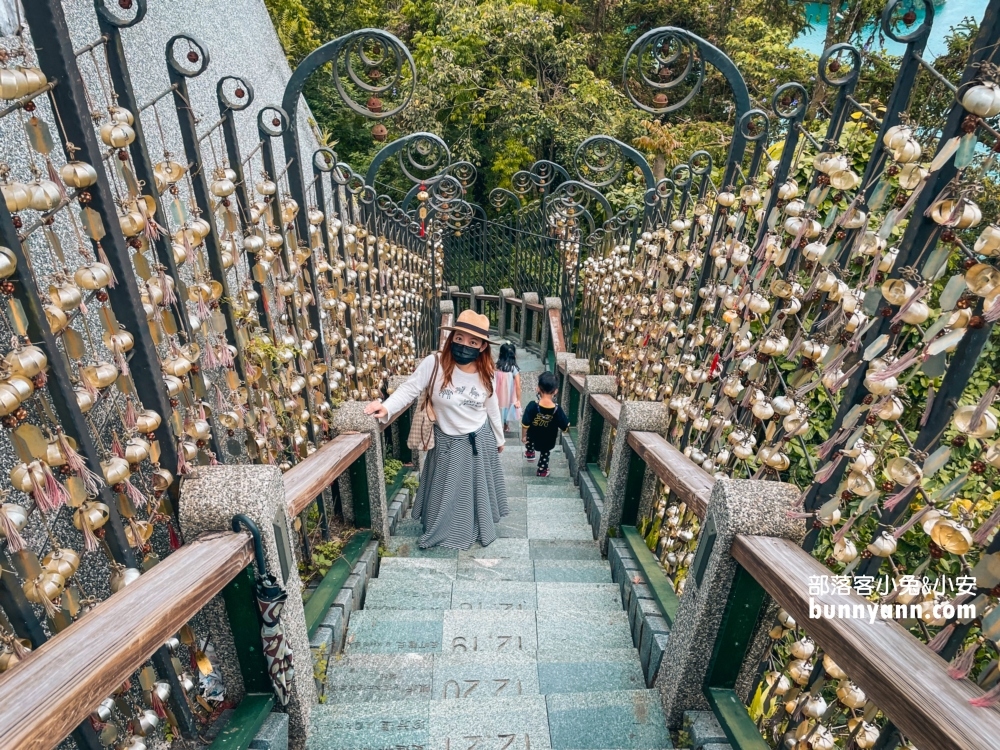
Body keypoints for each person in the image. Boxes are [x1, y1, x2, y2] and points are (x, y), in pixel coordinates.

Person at [364, 310, 508, 549]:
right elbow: (409, 389)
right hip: (446, 440)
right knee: (446, 489)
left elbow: (492, 407)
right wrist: (386, 407)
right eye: (459, 338)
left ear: (482, 347)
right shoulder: (434, 364)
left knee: (472, 491)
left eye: (473, 342)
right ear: (452, 338)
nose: (464, 345)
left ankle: (472, 526)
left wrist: (499, 438)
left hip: (478, 439)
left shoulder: (487, 373)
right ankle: (441, 528)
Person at [521, 371, 570, 478]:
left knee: (529, 437)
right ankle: (542, 470)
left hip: (533, 435)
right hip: (548, 438)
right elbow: (565, 426)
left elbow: (525, 424)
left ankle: (530, 452)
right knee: (545, 453)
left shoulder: (532, 406)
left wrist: (523, 436)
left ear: (538, 388)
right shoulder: (557, 410)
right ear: (556, 391)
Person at [494, 342, 521, 433]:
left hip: (497, 393)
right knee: (507, 409)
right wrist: (518, 399)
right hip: (509, 394)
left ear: (500, 354)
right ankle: (505, 426)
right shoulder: (513, 368)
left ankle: (498, 426)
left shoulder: (497, 366)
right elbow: (518, 385)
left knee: (498, 408)